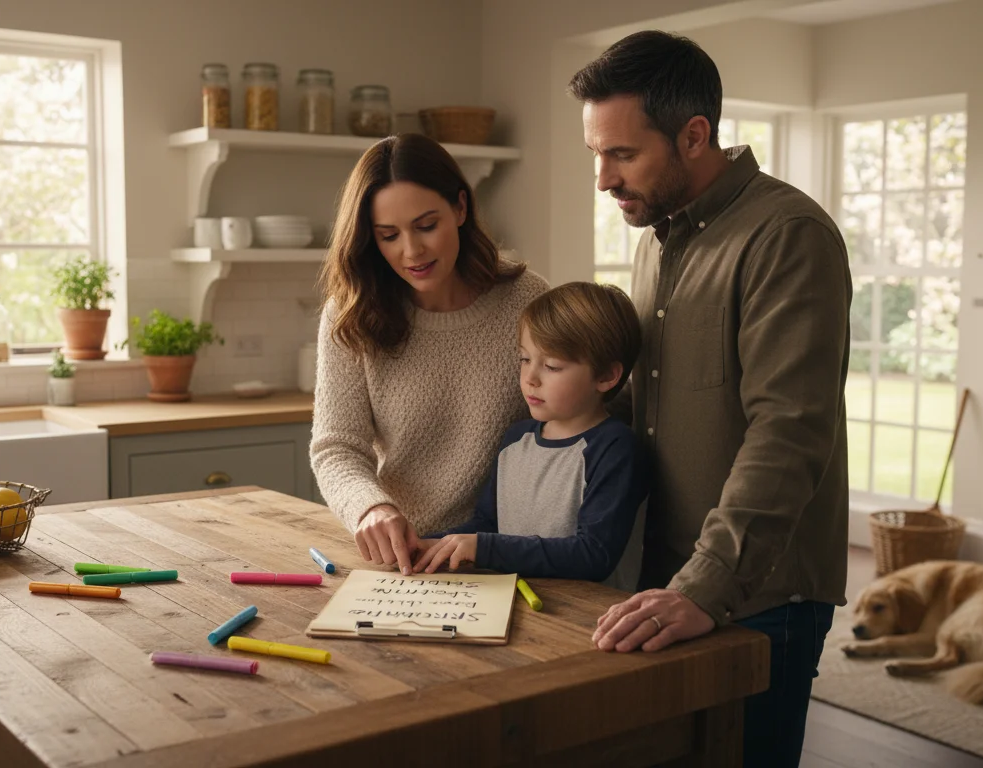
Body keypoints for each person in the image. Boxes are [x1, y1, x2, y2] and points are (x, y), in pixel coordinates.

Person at [569, 31, 852, 767]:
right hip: (668, 578)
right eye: (596, 154)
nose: (603, 178)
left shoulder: (787, 234)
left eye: (622, 154)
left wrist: (707, 584)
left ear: (695, 135)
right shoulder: (653, 239)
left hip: (759, 593)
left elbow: (789, 431)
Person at [310, 133, 549, 576]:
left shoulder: (526, 300)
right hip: (407, 558)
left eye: (426, 225)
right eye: (388, 235)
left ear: (460, 208)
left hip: (510, 554)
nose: (411, 251)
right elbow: (336, 447)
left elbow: (581, 415)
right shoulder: (350, 314)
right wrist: (370, 508)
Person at [414, 282, 648, 590]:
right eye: (525, 359)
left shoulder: (615, 449)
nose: (530, 378)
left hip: (586, 621)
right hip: (513, 607)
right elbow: (487, 524)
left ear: (606, 376)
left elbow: (594, 554)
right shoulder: (516, 439)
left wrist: (484, 548)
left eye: (551, 366)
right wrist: (429, 545)